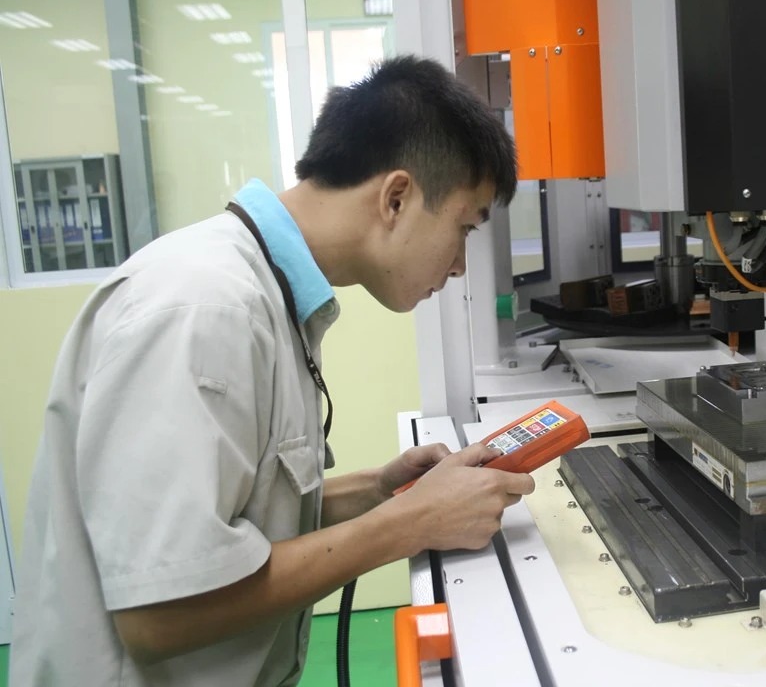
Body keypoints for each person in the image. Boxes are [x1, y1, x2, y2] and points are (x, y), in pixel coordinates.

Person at [9, 55, 535, 686]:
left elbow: (231, 516)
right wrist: (410, 523)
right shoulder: (203, 309)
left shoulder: (266, 293)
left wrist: (379, 489)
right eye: (464, 228)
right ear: (396, 198)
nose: (458, 266)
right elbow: (161, 612)